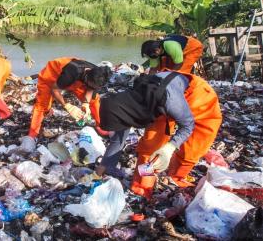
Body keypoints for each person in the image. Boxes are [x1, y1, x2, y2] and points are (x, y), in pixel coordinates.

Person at [94, 70, 222, 198]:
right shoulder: (124, 106)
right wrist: (104, 166)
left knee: (194, 144)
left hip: (196, 96)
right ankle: (142, 187)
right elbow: (118, 140)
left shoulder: (170, 100)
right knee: (151, 145)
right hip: (158, 99)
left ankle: (176, 177)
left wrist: (170, 147)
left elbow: (188, 125)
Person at [20, 57, 112, 151]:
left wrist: (86, 103)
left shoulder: (98, 76)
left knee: (94, 100)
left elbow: (90, 88)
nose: (93, 87)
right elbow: (54, 90)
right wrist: (67, 106)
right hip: (52, 75)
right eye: (91, 84)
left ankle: (100, 125)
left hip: (78, 81)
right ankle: (32, 134)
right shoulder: (72, 71)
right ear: (87, 76)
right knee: (42, 105)